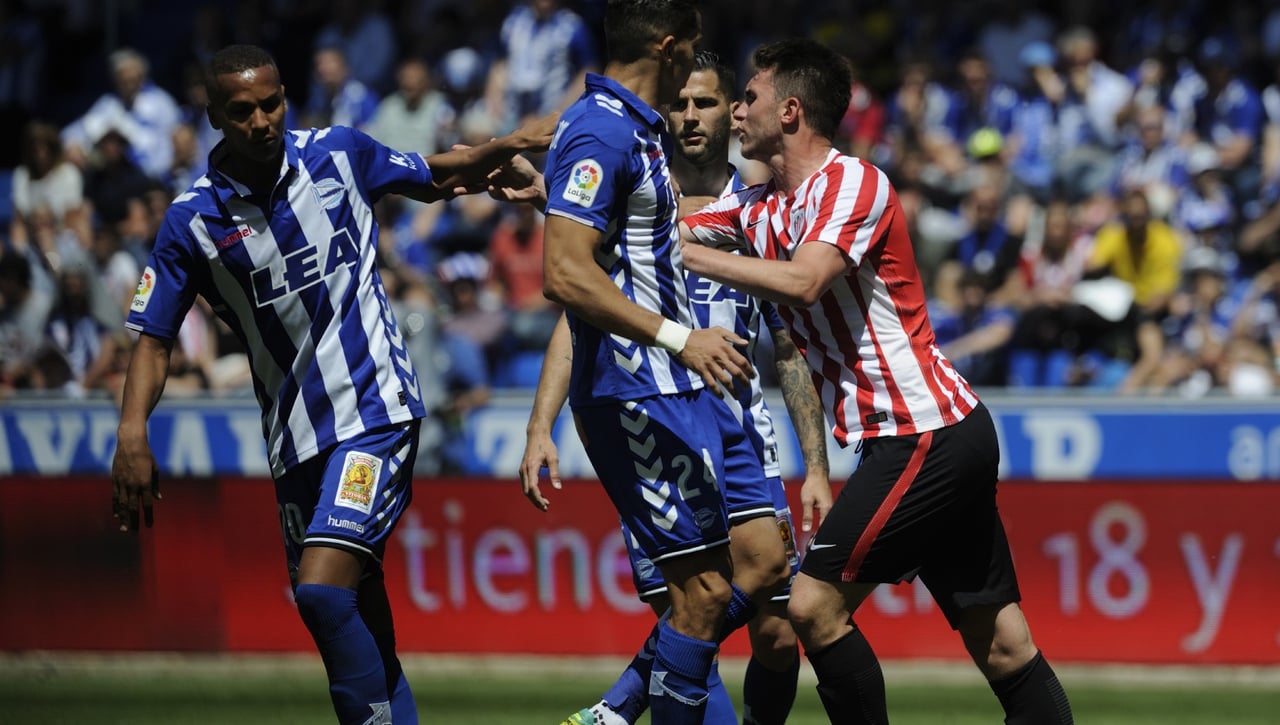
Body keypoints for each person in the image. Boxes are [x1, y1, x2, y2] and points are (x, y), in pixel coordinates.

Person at [109, 44, 552, 725]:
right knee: (356, 618)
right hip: (295, 441)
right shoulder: (190, 222)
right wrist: (133, 430)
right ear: (214, 116)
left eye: (272, 103)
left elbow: (434, 172)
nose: (262, 120)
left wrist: (510, 148)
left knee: (320, 592)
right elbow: (155, 337)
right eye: (242, 110)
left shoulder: (338, 152)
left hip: (376, 406)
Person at [677, 38, 1074, 724]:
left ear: (791, 111)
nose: (735, 113)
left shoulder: (853, 182)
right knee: (1006, 648)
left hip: (924, 431)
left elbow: (803, 282)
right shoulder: (757, 203)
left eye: (748, 98)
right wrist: (559, 196)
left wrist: (690, 255)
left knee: (812, 602)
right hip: (926, 436)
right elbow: (665, 223)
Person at [512, 51, 832, 725]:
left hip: (743, 433)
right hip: (656, 425)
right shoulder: (632, 197)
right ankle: (625, 707)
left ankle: (618, 706)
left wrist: (816, 465)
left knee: (777, 624)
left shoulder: (762, 205)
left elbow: (792, 348)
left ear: (730, 111)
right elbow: (580, 314)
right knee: (696, 613)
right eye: (679, 103)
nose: (690, 116)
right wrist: (541, 424)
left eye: (706, 103)